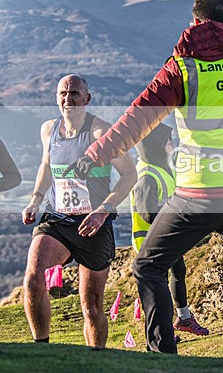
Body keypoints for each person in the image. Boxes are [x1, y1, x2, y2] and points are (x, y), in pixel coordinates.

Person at [66, 0, 223, 360]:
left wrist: (95, 154)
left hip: (198, 195)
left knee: (147, 267)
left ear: (195, 23)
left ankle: (164, 355)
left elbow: (137, 119)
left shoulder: (183, 68)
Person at [21, 74, 137, 349]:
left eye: (74, 93)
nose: (68, 98)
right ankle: (42, 348)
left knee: (92, 307)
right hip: (57, 218)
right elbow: (46, 166)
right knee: (33, 279)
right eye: (63, 92)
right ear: (56, 97)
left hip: (93, 224)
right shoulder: (49, 129)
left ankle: (95, 358)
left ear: (87, 98)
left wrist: (103, 211)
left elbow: (129, 175)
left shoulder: (101, 133)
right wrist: (36, 199)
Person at [130, 123, 209, 337]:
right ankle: (161, 331)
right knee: (158, 285)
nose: (171, 143)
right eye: (167, 140)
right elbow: (147, 213)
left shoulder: (162, 167)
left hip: (166, 235)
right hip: (151, 240)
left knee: (178, 272)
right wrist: (174, 223)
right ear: (155, 146)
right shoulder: (147, 175)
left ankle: (183, 318)